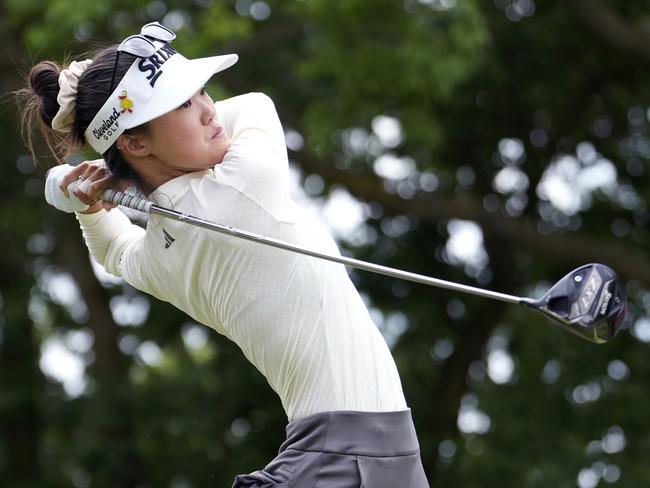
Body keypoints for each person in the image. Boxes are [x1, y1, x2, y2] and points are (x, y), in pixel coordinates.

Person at [18, 22, 429, 488]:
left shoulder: (164, 252)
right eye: (183, 105)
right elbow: (257, 104)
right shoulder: (243, 180)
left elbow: (115, 249)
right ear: (134, 143)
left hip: (355, 457)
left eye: (203, 94)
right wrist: (113, 181)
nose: (209, 112)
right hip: (350, 458)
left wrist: (90, 202)